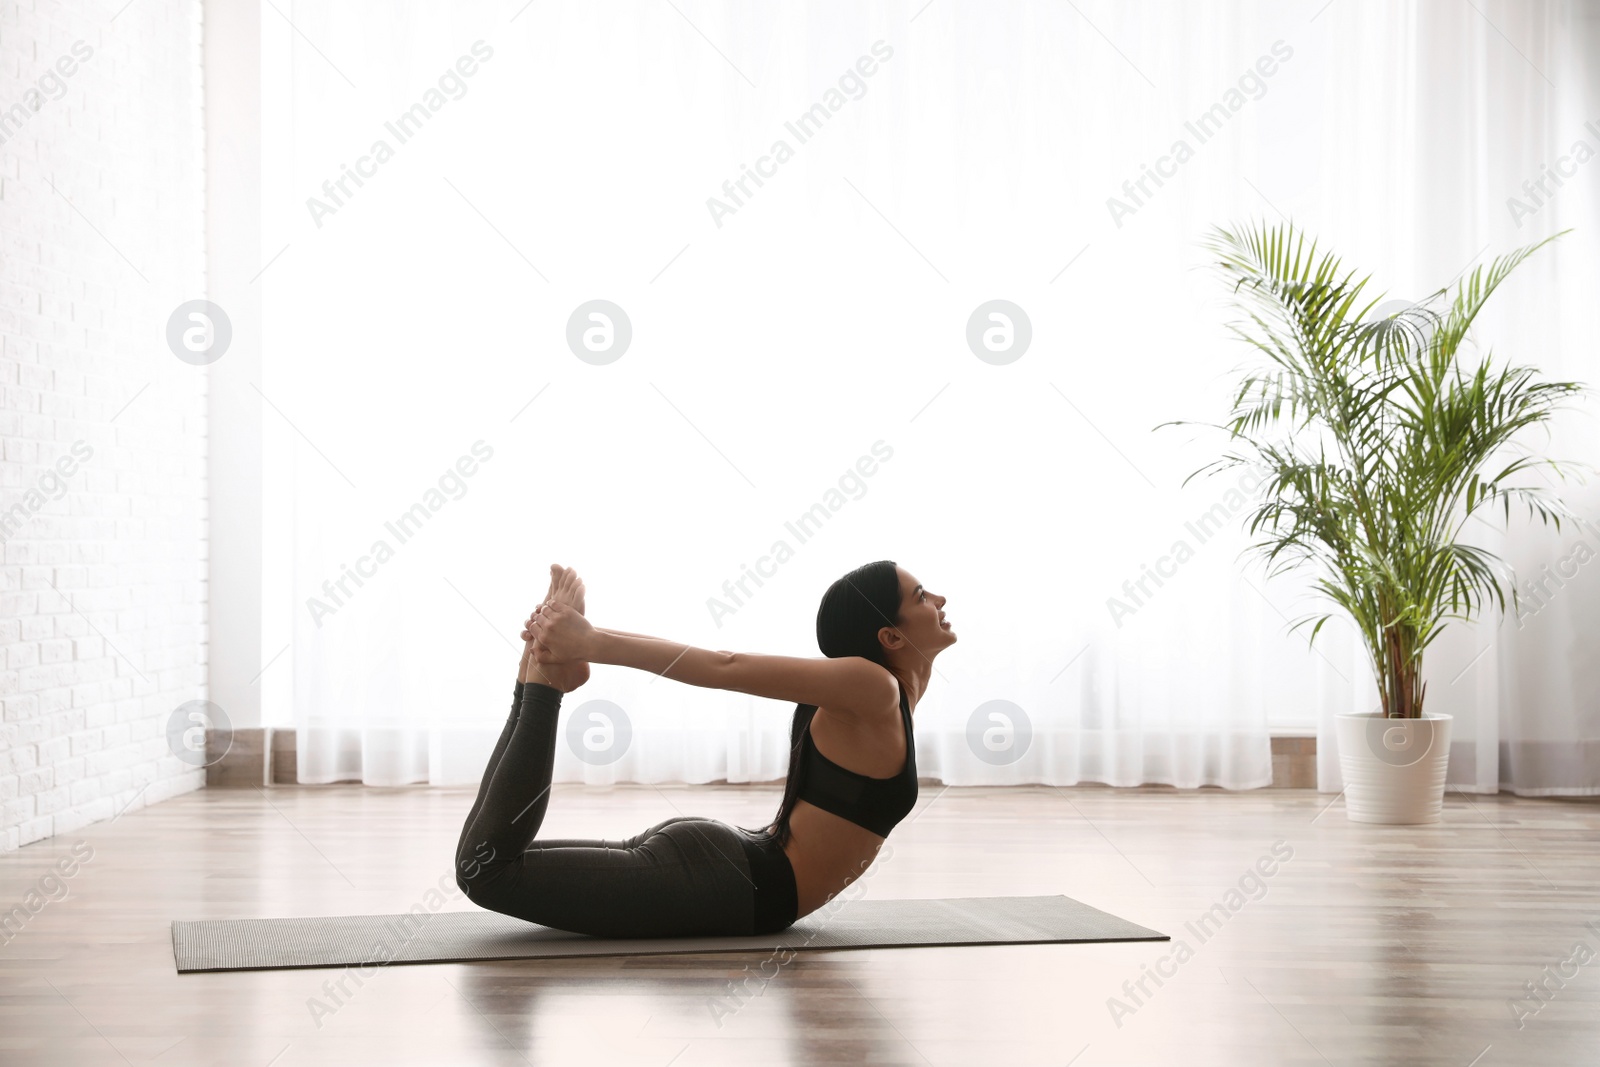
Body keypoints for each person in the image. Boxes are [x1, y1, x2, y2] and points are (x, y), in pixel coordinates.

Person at [454, 559, 956, 938]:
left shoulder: (890, 691)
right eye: (920, 596)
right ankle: (544, 677)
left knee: (493, 863)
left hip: (725, 869)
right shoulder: (874, 688)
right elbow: (726, 666)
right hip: (732, 883)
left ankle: (543, 671)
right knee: (487, 871)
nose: (938, 598)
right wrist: (591, 642)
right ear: (889, 635)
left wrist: (587, 640)